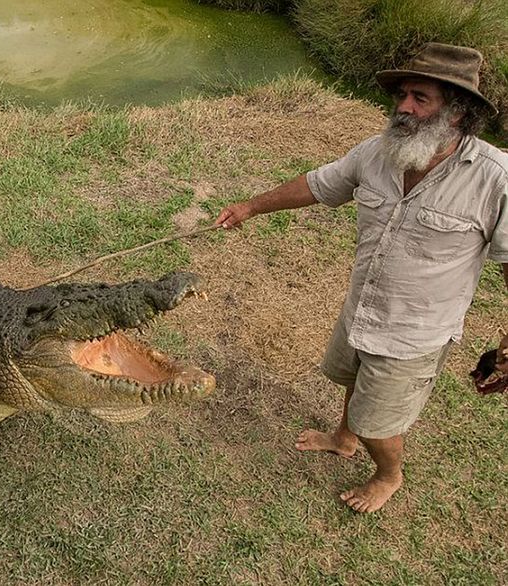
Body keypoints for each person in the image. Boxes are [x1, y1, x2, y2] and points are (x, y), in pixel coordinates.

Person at [213, 42, 508, 513]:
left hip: (416, 332)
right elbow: (318, 184)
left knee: (378, 422)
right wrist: (250, 207)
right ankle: (342, 437)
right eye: (403, 94)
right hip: (362, 308)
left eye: (420, 98)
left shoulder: (496, 178)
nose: (404, 107)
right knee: (352, 377)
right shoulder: (377, 152)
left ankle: (388, 474)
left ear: (457, 112)